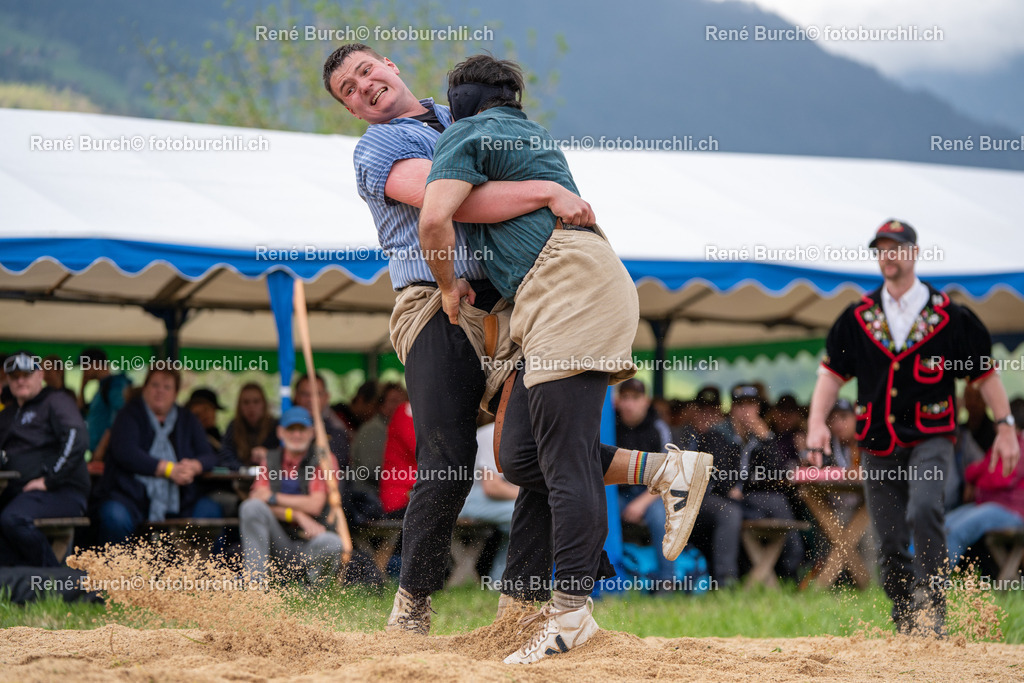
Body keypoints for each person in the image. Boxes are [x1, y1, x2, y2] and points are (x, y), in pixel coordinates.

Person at [323, 43, 709, 638]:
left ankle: (520, 609)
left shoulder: (467, 114)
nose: (363, 85)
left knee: (532, 450)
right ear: (352, 111)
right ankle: (412, 606)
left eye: (366, 70)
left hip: (514, 302)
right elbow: (449, 201)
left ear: (391, 68)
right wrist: (546, 193)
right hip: (436, 299)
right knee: (449, 458)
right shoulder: (378, 146)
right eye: (348, 89)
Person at [806, 219, 1020, 634]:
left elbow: (985, 375)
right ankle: (906, 616)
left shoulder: (950, 316)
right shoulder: (858, 316)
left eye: (896, 248)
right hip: (878, 440)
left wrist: (1006, 427)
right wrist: (817, 423)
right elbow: (831, 375)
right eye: (881, 249)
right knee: (887, 538)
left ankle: (932, 608)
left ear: (914, 253)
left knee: (924, 509)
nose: (888, 256)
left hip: (932, 436)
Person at [94, 367, 222, 545]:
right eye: (155, 385)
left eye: (167, 387)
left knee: (211, 511)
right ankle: (119, 564)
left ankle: (207, 565)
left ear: (176, 393)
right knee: (114, 516)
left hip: (181, 500)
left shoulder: (187, 418)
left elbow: (210, 456)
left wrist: (194, 466)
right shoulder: (128, 414)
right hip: (131, 497)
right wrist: (168, 469)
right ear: (145, 388)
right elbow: (126, 452)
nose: (160, 391)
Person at [0, 351, 90, 567]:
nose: (20, 380)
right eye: (14, 376)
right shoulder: (8, 415)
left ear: (40, 375)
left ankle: (54, 579)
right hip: (19, 493)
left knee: (13, 518)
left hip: (61, 491)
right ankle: (16, 582)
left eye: (26, 374)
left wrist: (50, 480)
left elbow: (77, 438)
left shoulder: (56, 401)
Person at [240, 406, 344, 587]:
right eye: (291, 429)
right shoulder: (270, 460)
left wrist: (272, 497)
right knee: (251, 508)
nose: (297, 435)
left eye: (302, 429)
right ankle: (256, 584)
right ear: (280, 432)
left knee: (333, 543)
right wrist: (296, 514)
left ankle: (311, 592)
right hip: (279, 541)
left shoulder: (323, 460)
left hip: (312, 541)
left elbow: (315, 504)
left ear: (312, 433)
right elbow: (257, 499)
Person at [945, 402, 1024, 569]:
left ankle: (935, 578)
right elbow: (977, 468)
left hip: (1013, 511)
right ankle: (912, 573)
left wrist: (978, 483)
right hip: (994, 504)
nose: (995, 424)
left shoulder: (1018, 445)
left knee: (957, 531)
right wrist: (979, 476)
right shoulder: (1003, 443)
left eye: (999, 420)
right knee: (943, 524)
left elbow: (1001, 478)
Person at [614, 379, 677, 588]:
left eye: (635, 398)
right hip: (616, 493)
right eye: (625, 398)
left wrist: (641, 503)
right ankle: (606, 580)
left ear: (646, 401)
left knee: (662, 517)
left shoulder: (659, 428)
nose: (629, 404)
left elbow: (668, 473)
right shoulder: (609, 425)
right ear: (617, 401)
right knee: (599, 512)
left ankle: (668, 581)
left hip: (650, 495)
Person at [459, 413, 518, 586]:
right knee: (532, 513)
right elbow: (492, 487)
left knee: (521, 520)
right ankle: (501, 582)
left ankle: (500, 584)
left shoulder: (521, 435)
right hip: (468, 499)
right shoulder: (493, 433)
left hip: (487, 500)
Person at [348, 381, 405, 524]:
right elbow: (370, 469)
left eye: (402, 401)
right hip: (368, 497)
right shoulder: (372, 430)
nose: (398, 405)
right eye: (393, 401)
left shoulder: (400, 428)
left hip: (390, 493)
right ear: (381, 405)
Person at [77, 347, 132, 460]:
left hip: (107, 452)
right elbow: (82, 412)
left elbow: (118, 417)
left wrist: (101, 448)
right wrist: (82, 387)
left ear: (96, 364)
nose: (84, 371)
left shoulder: (115, 385)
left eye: (85, 366)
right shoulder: (101, 389)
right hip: (98, 451)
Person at [219, 383, 279, 470]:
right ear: (240, 406)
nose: (251, 407)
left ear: (264, 404)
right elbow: (225, 456)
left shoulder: (275, 426)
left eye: (256, 402)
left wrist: (269, 455)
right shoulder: (234, 427)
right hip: (240, 475)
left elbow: (285, 455)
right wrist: (243, 469)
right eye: (246, 402)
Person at [186, 387, 224, 452]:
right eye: (197, 414)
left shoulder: (222, 438)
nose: (204, 416)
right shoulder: (189, 440)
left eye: (206, 410)